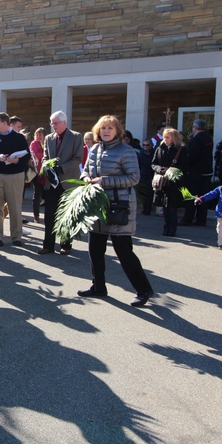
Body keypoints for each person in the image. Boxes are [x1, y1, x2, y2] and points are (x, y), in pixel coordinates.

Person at [78, 115, 154, 307]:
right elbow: (86, 170)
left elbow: (134, 178)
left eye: (110, 128)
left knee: (124, 252)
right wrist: (86, 178)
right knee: (95, 250)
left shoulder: (126, 150)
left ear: (117, 131)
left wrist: (105, 181)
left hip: (119, 206)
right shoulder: (94, 149)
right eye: (103, 128)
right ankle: (99, 286)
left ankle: (144, 290)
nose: (106, 131)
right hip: (97, 205)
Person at [38, 110, 84, 255]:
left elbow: (77, 158)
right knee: (49, 214)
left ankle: (66, 244)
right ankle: (48, 245)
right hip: (52, 182)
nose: (53, 126)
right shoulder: (49, 138)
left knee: (66, 214)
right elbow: (45, 157)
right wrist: (46, 166)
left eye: (56, 123)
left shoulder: (76, 137)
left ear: (64, 122)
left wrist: (61, 168)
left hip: (68, 181)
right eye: (52, 123)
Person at [0, 112, 29, 246]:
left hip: (14, 176)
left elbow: (26, 155)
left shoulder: (19, 138)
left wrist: (16, 161)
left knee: (15, 207)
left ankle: (16, 237)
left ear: (5, 123)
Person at [151, 128, 189, 237]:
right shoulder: (160, 148)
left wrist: (172, 170)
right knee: (164, 206)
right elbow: (154, 163)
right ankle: (166, 227)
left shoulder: (181, 149)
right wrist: (160, 169)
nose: (165, 139)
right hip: (162, 182)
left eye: (168, 137)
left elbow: (185, 165)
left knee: (172, 207)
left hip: (174, 182)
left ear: (174, 138)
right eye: (164, 137)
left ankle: (172, 229)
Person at [181, 119, 214, 227]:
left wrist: (185, 165)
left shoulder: (196, 140)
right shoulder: (208, 138)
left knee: (191, 196)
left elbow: (193, 156)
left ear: (194, 128)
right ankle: (201, 219)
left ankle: (188, 218)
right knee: (203, 197)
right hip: (207, 172)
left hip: (195, 173)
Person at [30, 127, 47, 223]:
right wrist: (44, 154)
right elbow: (36, 154)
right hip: (37, 172)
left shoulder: (47, 143)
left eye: (40, 135)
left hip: (46, 172)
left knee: (48, 195)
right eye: (37, 135)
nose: (38, 137)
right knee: (37, 195)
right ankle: (36, 215)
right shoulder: (34, 143)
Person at [137, 138, 154, 215]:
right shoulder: (140, 154)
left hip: (151, 175)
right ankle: (144, 208)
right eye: (144, 145)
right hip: (143, 175)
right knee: (143, 193)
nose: (145, 146)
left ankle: (148, 209)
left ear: (151, 145)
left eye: (147, 145)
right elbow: (138, 165)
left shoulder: (154, 153)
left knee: (150, 193)